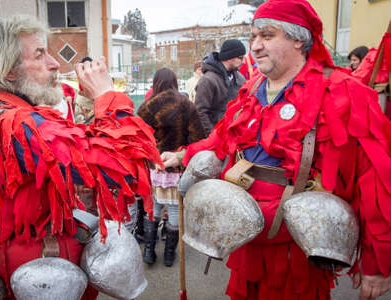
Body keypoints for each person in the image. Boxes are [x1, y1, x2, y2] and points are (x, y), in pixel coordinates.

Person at [160, 1, 391, 299]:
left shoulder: (343, 93)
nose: (255, 46)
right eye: (253, 36)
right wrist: (181, 156)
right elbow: (220, 141)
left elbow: (375, 182)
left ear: (299, 39)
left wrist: (375, 263)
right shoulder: (251, 89)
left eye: (267, 36)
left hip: (297, 253)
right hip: (244, 243)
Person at [0, 15, 162, 299]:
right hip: (39, 278)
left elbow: (77, 151)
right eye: (40, 55)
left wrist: (92, 109)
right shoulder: (21, 123)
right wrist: (107, 94)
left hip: (7, 267)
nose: (54, 63)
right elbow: (125, 167)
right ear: (10, 72)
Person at [137, 68, 205, 267]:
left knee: (154, 206)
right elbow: (198, 138)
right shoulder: (186, 104)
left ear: (156, 82)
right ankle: (169, 255)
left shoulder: (147, 106)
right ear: (175, 81)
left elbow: (138, 138)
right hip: (177, 167)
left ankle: (149, 252)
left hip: (154, 166)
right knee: (175, 209)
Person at [195, 39, 246, 136]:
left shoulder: (240, 78)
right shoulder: (208, 80)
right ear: (229, 57)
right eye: (240, 57)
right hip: (215, 138)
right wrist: (213, 136)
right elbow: (200, 112)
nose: (243, 62)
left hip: (235, 136)